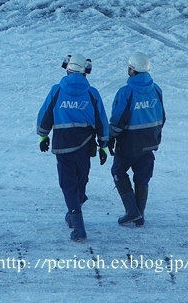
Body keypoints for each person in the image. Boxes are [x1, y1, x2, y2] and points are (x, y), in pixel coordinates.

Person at [36, 54, 109, 242]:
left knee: (68, 184)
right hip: (85, 146)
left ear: (68, 69)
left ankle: (78, 228)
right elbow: (101, 120)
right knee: (81, 180)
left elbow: (45, 116)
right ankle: (74, 212)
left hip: (63, 145)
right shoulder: (92, 93)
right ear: (85, 72)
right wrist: (103, 145)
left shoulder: (57, 91)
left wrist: (43, 135)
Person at [108, 51, 165, 227]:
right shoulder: (156, 89)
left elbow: (118, 120)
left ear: (132, 69)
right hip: (150, 143)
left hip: (129, 144)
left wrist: (110, 138)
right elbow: (162, 116)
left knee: (118, 172)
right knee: (142, 177)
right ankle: (140, 216)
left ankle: (132, 210)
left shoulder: (126, 92)